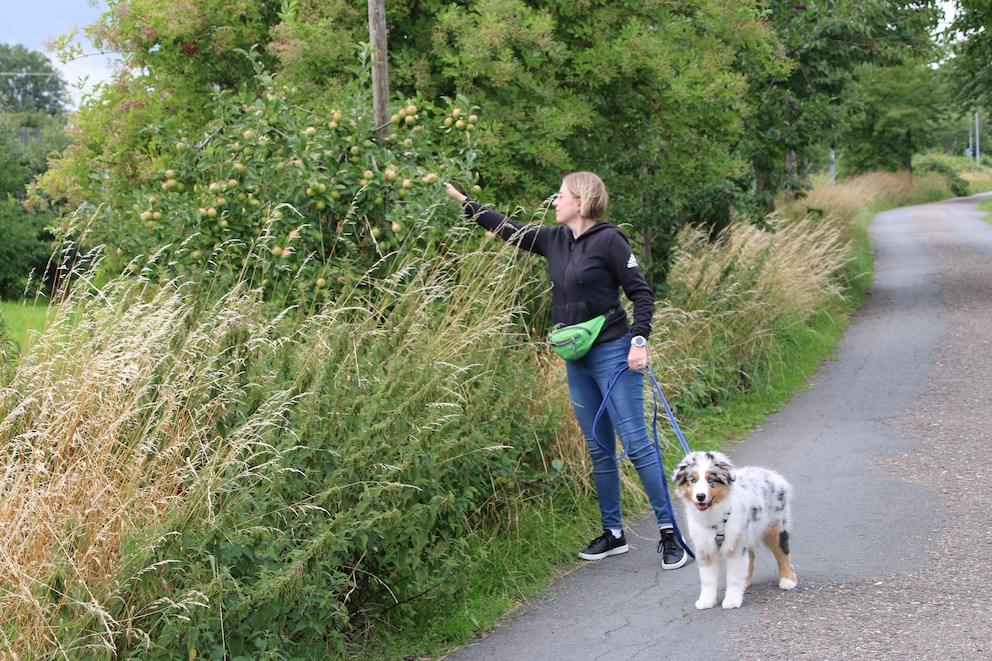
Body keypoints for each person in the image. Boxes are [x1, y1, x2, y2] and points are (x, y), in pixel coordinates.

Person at [445, 172, 688, 570]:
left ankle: (669, 532)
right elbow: (508, 229)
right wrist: (463, 202)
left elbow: (641, 294)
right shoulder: (553, 240)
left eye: (561, 195)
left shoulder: (610, 240)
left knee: (636, 443)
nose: (554, 200)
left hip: (614, 351)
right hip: (576, 356)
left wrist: (639, 341)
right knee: (598, 445)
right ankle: (614, 534)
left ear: (581, 201)